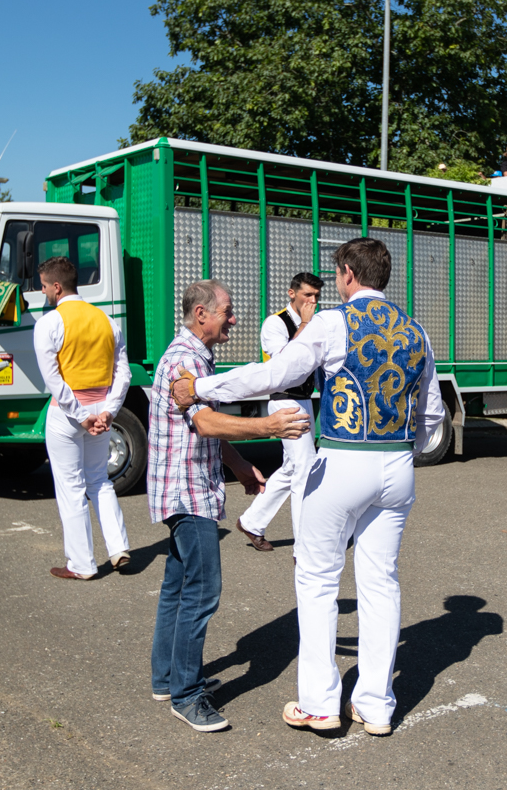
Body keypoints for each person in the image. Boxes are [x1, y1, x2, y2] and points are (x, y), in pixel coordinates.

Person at [170, 238, 447, 737]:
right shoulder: (416, 330)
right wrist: (404, 447)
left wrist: (203, 388)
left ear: (347, 273)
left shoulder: (334, 322)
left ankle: (320, 703)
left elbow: (274, 374)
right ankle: (376, 706)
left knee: (318, 580)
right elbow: (430, 415)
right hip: (398, 464)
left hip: (344, 459)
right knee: (381, 582)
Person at [148, 279, 310, 732]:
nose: (234, 320)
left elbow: (202, 429)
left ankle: (168, 679)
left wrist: (238, 465)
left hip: (186, 486)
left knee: (178, 586)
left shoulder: (196, 356)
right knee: (203, 591)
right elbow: (206, 421)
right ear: (201, 314)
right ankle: (186, 694)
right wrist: (269, 427)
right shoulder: (184, 360)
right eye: (227, 312)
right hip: (187, 492)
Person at [33, 256, 131, 580]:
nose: (43, 292)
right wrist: (107, 412)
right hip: (101, 408)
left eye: (44, 286)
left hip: (67, 415)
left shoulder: (49, 322)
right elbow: (123, 374)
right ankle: (119, 548)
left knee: (71, 487)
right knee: (99, 480)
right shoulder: (107, 320)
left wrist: (81, 416)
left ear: (57, 286)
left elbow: (53, 379)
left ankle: (81, 565)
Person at [234, 272, 324, 552]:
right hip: (284, 400)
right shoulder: (275, 323)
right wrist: (306, 325)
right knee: (305, 468)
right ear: (292, 293)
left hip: (304, 399)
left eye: (316, 296)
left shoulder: (314, 321)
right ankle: (305, 544)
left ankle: (252, 522)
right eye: (307, 295)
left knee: (291, 468)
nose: (312, 301)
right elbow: (285, 361)